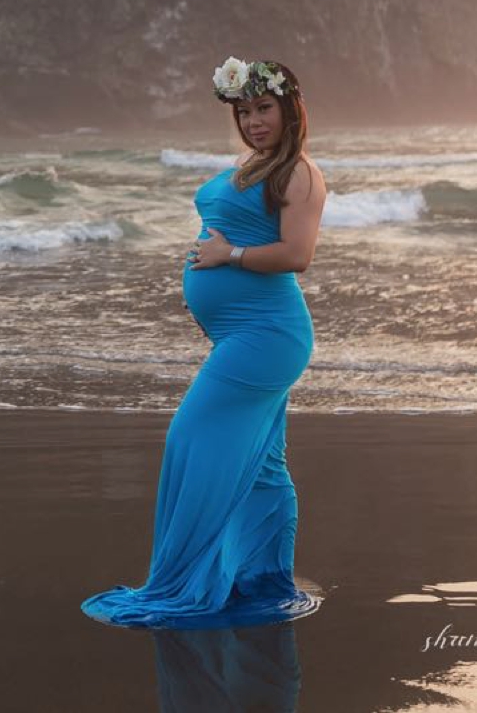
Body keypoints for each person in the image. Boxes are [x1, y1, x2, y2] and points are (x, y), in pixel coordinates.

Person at [82, 55, 328, 629]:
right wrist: (209, 291)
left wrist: (228, 256)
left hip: (268, 335)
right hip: (240, 334)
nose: (253, 122)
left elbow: (297, 255)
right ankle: (262, 576)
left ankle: (189, 579)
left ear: (289, 109)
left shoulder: (299, 173)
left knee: (190, 439)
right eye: (244, 112)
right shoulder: (251, 164)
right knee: (263, 465)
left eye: (263, 109)